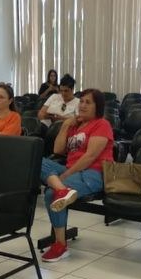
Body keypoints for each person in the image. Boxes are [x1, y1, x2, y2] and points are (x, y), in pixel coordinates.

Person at [39, 89, 114, 262]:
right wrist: (65, 125)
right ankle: (62, 190)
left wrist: (65, 175)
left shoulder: (102, 124)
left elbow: (90, 157)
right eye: (81, 101)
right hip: (71, 170)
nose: (83, 105)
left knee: (51, 194)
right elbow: (58, 150)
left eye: (88, 102)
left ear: (98, 107)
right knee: (36, 160)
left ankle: (60, 245)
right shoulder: (74, 126)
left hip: (93, 174)